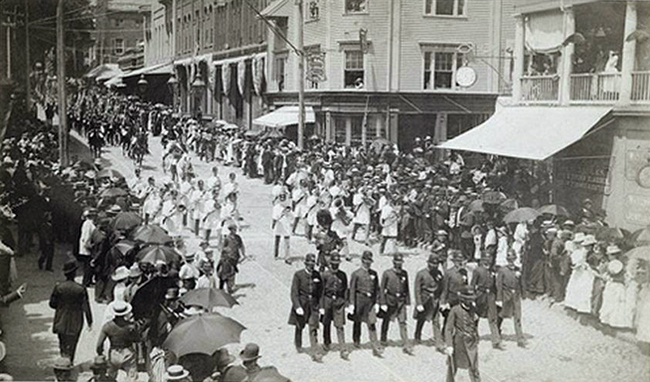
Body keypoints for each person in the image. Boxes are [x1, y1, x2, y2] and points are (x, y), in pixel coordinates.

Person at [49, 260, 93, 364]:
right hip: (76, 320)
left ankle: (63, 361)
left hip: (61, 319)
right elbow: (86, 306)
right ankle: (70, 361)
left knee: (62, 342)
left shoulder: (59, 287)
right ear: (74, 273)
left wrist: (61, 306)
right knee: (73, 343)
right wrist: (90, 321)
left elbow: (52, 304)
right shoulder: (81, 289)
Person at [288, 254, 323, 362]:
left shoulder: (317, 275)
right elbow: (294, 292)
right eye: (309, 265)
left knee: (313, 328)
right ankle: (298, 344)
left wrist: (321, 306)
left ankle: (315, 352)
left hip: (313, 306)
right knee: (300, 326)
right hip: (302, 305)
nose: (311, 267)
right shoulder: (298, 275)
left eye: (312, 265)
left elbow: (321, 292)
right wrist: (297, 306)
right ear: (305, 264)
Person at [348, 251, 383, 357]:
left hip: (370, 302)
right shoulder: (356, 274)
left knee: (372, 323)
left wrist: (377, 302)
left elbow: (377, 289)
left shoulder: (374, 273)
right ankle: (356, 340)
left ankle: (375, 345)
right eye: (366, 261)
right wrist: (352, 304)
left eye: (369, 261)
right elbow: (352, 290)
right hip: (360, 300)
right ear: (362, 261)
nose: (368, 263)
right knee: (357, 321)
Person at [379, 253, 414, 355]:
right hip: (390, 300)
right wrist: (382, 302)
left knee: (403, 322)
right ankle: (383, 339)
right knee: (386, 320)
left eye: (401, 262)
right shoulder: (387, 273)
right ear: (393, 262)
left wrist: (408, 300)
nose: (399, 264)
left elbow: (406, 287)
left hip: (401, 301)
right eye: (397, 262)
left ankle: (406, 344)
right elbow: (382, 289)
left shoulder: (404, 273)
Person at [96, 301, 140, 382]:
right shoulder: (130, 326)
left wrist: (100, 352)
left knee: (110, 376)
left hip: (114, 353)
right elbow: (137, 339)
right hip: (128, 352)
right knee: (132, 376)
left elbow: (99, 344)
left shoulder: (107, 326)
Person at [444, 286, 480, 382]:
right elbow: (448, 329)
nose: (470, 301)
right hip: (459, 343)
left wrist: (476, 336)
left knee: (474, 367)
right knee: (452, 368)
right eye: (468, 299)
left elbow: (474, 325)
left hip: (471, 343)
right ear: (463, 299)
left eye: (471, 299)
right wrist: (449, 345)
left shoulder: (473, 308)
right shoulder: (455, 310)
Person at [319, 252, 350, 360]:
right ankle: (326, 342)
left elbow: (346, 289)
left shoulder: (343, 275)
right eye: (333, 263)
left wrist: (347, 303)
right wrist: (321, 306)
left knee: (339, 325)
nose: (335, 266)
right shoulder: (325, 275)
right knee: (326, 323)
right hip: (327, 301)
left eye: (337, 264)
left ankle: (343, 348)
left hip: (339, 302)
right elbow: (321, 291)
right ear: (330, 263)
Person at [413, 253, 444, 351]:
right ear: (428, 263)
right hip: (424, 299)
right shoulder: (421, 273)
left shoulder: (439, 274)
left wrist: (441, 301)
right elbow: (417, 289)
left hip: (434, 300)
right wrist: (418, 303)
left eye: (437, 264)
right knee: (421, 319)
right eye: (433, 264)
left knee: (436, 321)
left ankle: (438, 343)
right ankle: (417, 335)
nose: (435, 266)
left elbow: (442, 288)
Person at [471, 253, 502, 349]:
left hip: (491, 296)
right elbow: (472, 285)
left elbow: (495, 286)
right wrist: (472, 298)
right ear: (482, 259)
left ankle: (496, 340)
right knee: (476, 317)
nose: (488, 260)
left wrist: (498, 298)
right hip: (480, 295)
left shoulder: (492, 271)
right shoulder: (477, 271)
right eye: (486, 259)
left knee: (493, 317)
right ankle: (474, 336)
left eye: (490, 259)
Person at [496, 250, 526, 348]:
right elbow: (499, 284)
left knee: (517, 316)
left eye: (513, 259)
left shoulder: (518, 269)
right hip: (506, 295)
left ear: (515, 259)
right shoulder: (502, 270)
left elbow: (521, 282)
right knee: (502, 315)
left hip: (516, 296)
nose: (511, 261)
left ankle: (520, 337)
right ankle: (497, 332)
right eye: (509, 259)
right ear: (507, 260)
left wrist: (523, 293)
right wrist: (499, 298)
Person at [218, 223, 245, 294]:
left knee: (233, 272)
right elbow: (223, 248)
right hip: (227, 257)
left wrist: (243, 254)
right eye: (233, 229)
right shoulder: (227, 238)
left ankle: (230, 286)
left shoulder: (238, 237)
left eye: (235, 229)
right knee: (227, 272)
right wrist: (222, 257)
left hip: (235, 257)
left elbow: (241, 245)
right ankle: (225, 287)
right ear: (230, 230)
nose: (235, 231)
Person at [78, 209, 97, 285]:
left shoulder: (89, 223)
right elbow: (86, 236)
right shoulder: (87, 224)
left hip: (87, 246)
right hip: (87, 248)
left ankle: (89, 280)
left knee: (89, 265)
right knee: (88, 266)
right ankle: (86, 281)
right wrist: (88, 245)